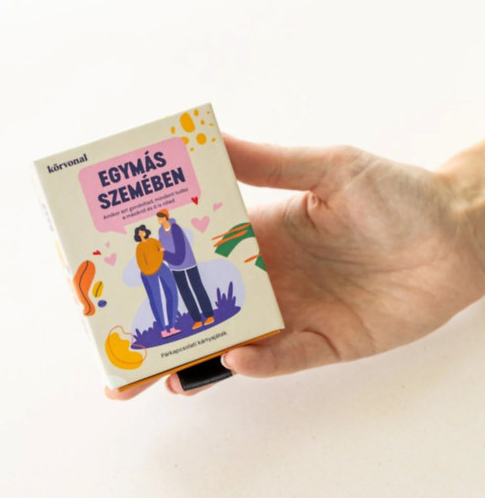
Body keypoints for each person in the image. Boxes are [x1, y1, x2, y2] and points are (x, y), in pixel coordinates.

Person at [108, 135, 485, 399]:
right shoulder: (154, 241)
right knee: (190, 309)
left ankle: (204, 315)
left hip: (182, 265)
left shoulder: (173, 232)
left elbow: (179, 250)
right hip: (167, 271)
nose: (154, 226)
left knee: (199, 296)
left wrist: (462, 226)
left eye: (156, 222)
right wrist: (461, 224)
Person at [156, 208, 215, 329]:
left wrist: (165, 254)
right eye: (158, 218)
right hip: (174, 265)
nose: (159, 220)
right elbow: (160, 246)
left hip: (187, 262)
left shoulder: (175, 228)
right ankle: (197, 319)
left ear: (166, 217)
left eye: (161, 217)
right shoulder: (160, 231)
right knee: (184, 291)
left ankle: (209, 315)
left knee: (197, 286)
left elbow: (180, 249)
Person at [134, 225, 180, 338]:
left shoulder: (153, 241)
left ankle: (172, 326)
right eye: (139, 232)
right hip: (148, 273)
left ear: (146, 231)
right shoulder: (139, 247)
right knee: (156, 300)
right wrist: (155, 262)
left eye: (142, 231)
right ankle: (163, 330)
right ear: (137, 235)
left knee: (172, 292)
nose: (142, 233)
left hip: (160, 267)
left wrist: (157, 259)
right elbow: (142, 264)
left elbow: (161, 250)